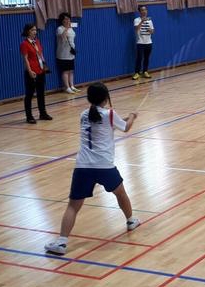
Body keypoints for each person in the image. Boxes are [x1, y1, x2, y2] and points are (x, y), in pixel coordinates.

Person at [44, 83, 138, 255]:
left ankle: (62, 242)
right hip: (104, 166)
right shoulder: (109, 114)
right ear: (105, 98)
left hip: (83, 167)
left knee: (73, 206)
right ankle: (131, 220)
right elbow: (125, 127)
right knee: (121, 194)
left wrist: (122, 118)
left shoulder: (84, 114)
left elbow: (107, 123)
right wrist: (132, 116)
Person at [20, 23, 52, 124]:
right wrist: (29, 71)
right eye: (33, 30)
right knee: (29, 94)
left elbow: (40, 54)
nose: (35, 32)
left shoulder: (37, 41)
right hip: (32, 71)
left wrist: (45, 65)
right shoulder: (24, 44)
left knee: (41, 93)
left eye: (35, 30)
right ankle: (29, 116)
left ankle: (42, 113)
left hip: (40, 70)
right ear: (28, 31)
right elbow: (25, 59)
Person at [56, 12, 79, 94]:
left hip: (71, 53)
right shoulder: (60, 29)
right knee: (65, 71)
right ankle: (67, 87)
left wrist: (70, 26)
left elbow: (77, 26)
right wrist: (66, 28)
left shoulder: (71, 27)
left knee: (71, 70)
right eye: (65, 19)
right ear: (62, 20)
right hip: (63, 54)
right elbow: (63, 37)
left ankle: (72, 86)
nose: (67, 20)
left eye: (68, 19)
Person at [133, 5, 154, 80]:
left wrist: (150, 30)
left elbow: (152, 31)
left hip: (148, 42)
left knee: (146, 58)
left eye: (145, 10)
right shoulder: (136, 20)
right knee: (139, 58)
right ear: (139, 12)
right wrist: (142, 21)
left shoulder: (150, 20)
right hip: (140, 43)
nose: (144, 11)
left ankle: (145, 71)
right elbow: (136, 28)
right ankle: (137, 73)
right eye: (142, 10)